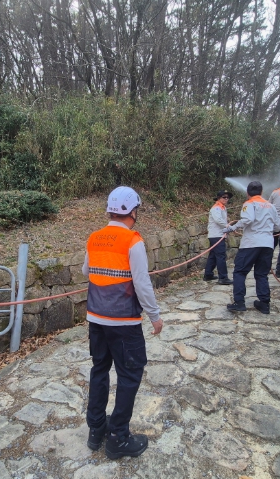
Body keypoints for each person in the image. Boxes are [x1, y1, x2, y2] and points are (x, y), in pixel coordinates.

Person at [82, 186, 163, 460]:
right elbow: (142, 283)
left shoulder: (94, 237)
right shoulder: (132, 240)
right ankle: (118, 437)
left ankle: (96, 430)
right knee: (129, 375)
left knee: (99, 370)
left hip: (96, 319)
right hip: (124, 323)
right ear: (132, 211)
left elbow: (86, 270)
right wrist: (155, 316)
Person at [223, 181, 280, 314]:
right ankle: (264, 304)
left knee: (240, 272)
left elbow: (247, 219)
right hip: (267, 244)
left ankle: (239, 302)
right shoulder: (271, 206)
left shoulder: (249, 203)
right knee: (261, 274)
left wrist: (232, 227)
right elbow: (278, 226)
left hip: (251, 243)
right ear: (261, 192)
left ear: (247, 192)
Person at [203, 190, 234, 285]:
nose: (226, 199)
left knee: (213, 256)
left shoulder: (222, 208)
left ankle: (208, 274)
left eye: (227, 197)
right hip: (216, 235)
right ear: (218, 198)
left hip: (218, 235)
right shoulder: (216, 208)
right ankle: (223, 278)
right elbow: (218, 220)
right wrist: (228, 226)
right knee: (221, 256)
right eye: (224, 197)